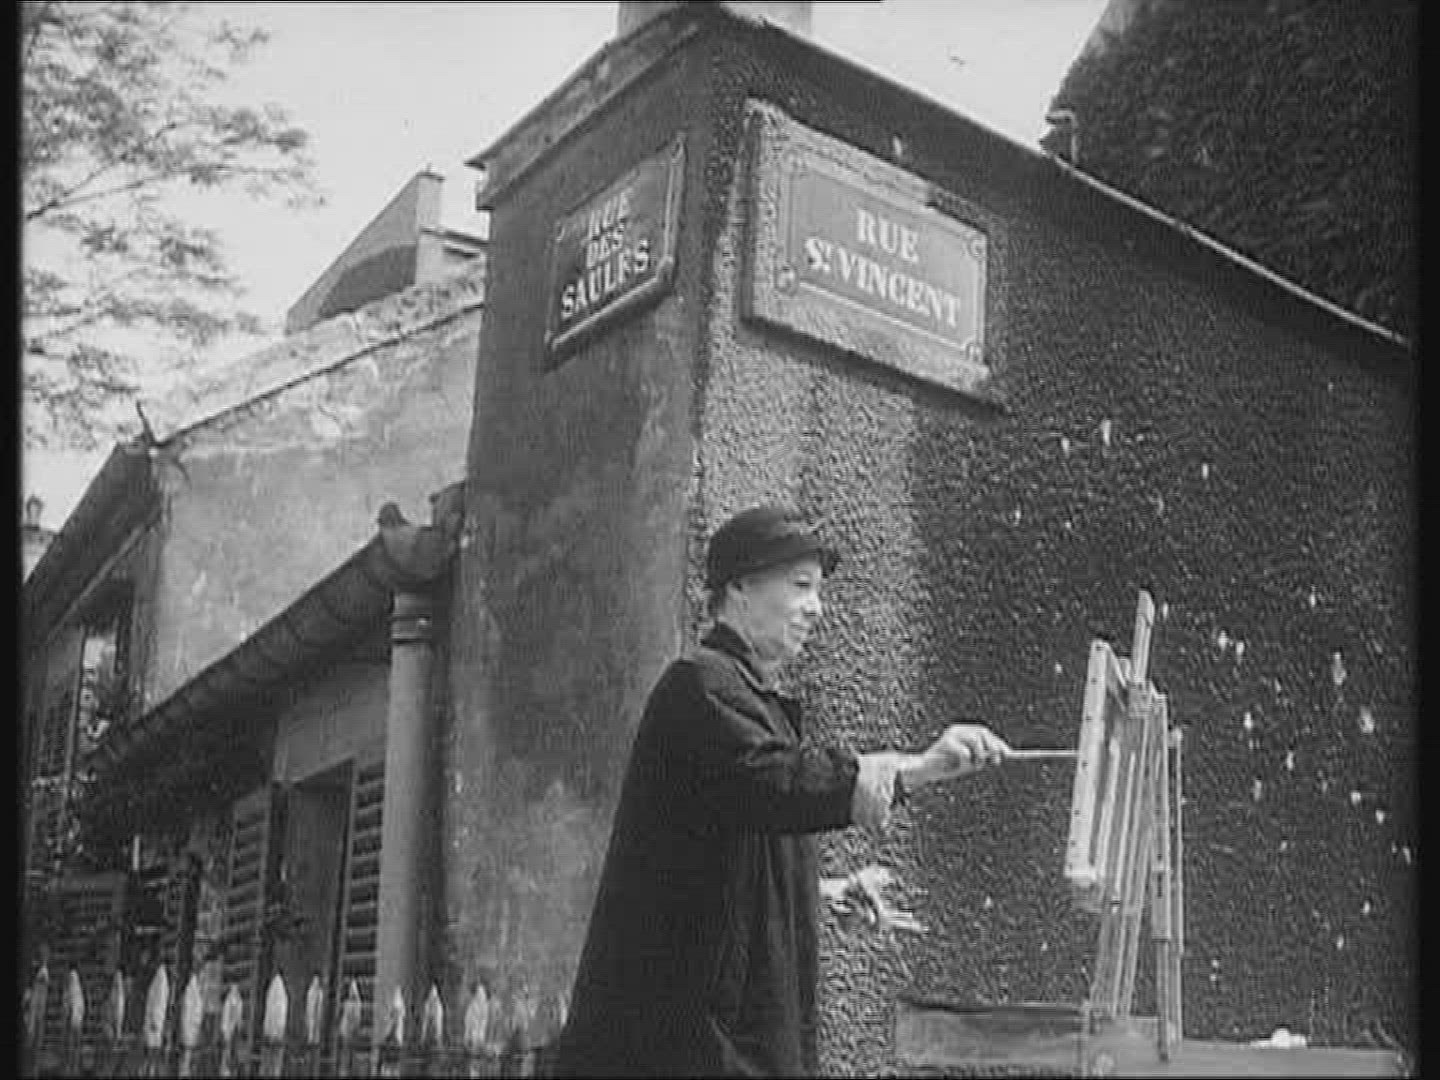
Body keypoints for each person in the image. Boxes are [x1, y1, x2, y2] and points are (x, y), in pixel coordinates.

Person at [552, 504, 1012, 1077]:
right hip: (684, 1043)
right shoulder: (699, 685)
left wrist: (820, 891)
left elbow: (727, 849)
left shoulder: (747, 699)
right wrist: (915, 769)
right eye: (800, 586)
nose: (817, 607)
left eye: (817, 590)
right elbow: (776, 783)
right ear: (740, 588)